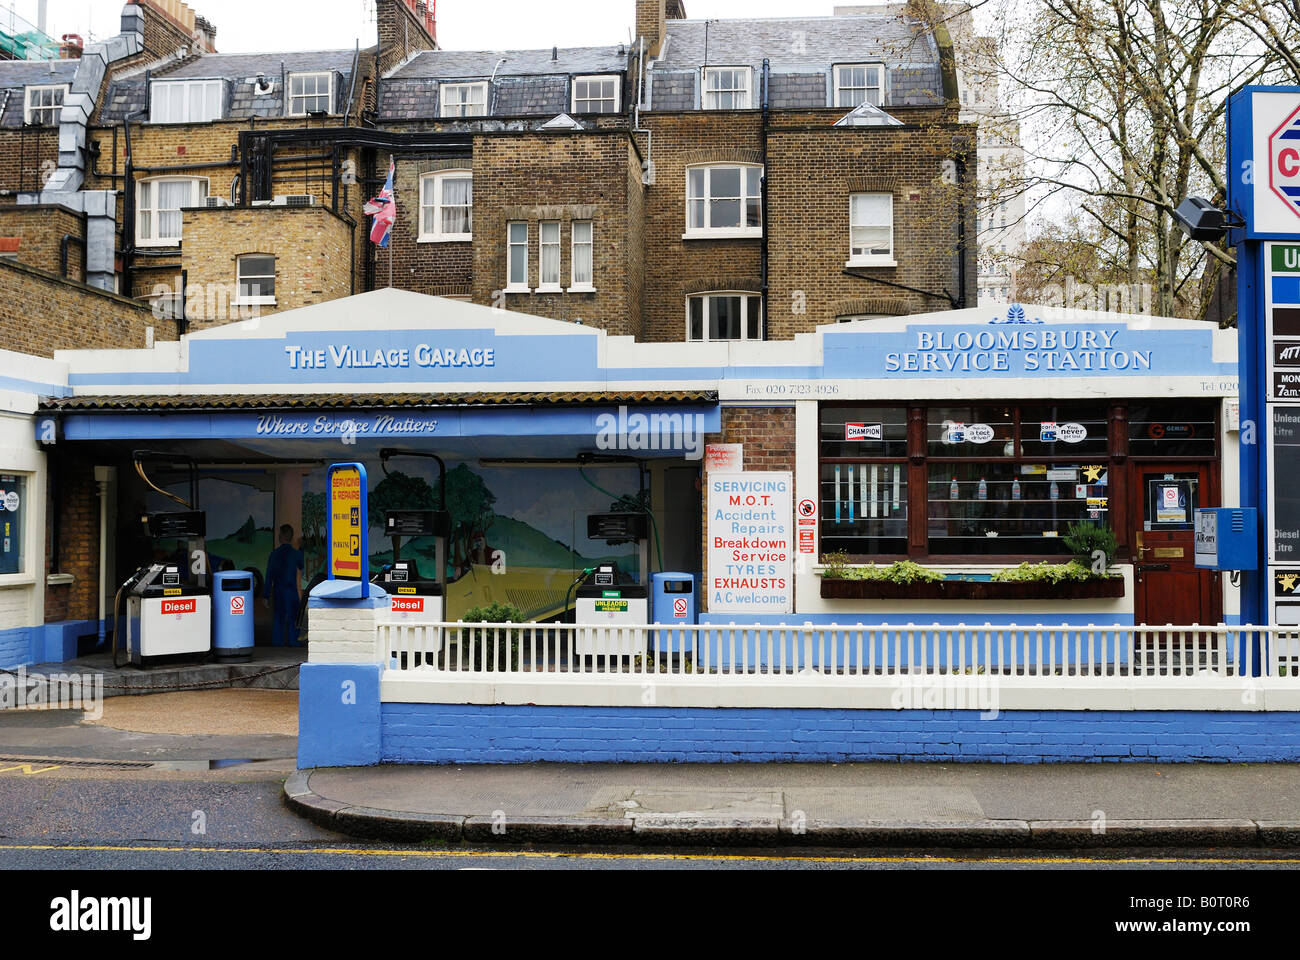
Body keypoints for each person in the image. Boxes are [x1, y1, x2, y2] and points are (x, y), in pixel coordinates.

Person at [265, 524, 304, 647]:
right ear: (291, 538)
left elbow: (268, 576)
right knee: (294, 620)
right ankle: (294, 644)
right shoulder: (296, 554)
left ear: (281, 537)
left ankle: (278, 646)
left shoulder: (274, 554)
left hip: (278, 590)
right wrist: (299, 548)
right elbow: (301, 566)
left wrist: (265, 595)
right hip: (291, 590)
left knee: (278, 620)